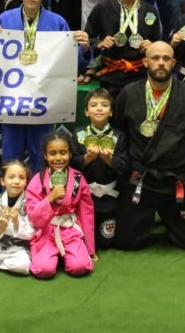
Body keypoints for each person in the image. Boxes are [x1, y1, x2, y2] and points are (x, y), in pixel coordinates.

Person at [113, 41, 185, 250]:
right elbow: (118, 132)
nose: (161, 63)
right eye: (155, 58)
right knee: (126, 242)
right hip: (142, 179)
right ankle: (148, 218)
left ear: (174, 63)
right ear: (145, 62)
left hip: (177, 179)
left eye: (166, 58)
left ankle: (169, 219)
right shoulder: (128, 93)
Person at [0, 0, 91, 166]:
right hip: (13, 101)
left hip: (43, 102)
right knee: (11, 159)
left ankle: (42, 187)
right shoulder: (4, 19)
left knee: (42, 157)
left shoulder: (57, 22)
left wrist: (84, 48)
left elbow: (70, 64)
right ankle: (10, 188)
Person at [82, 0, 161, 96]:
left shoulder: (150, 11)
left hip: (140, 75)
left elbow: (158, 43)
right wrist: (99, 44)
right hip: (110, 76)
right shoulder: (102, 8)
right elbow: (87, 38)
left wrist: (152, 46)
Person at [26, 131, 96, 278]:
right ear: (45, 156)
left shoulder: (77, 179)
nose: (58, 158)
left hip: (69, 230)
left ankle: (69, 254)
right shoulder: (38, 180)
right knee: (44, 270)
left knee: (80, 267)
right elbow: (34, 218)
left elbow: (86, 214)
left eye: (63, 153)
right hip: (46, 232)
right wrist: (49, 199)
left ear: (70, 154)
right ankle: (51, 255)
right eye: (52, 153)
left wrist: (90, 249)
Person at [72, 89, 122, 250]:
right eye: (93, 105)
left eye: (104, 105)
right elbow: (71, 165)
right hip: (84, 197)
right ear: (86, 112)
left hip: (109, 197)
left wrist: (109, 160)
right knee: (83, 239)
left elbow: (125, 166)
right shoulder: (78, 134)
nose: (99, 108)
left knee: (106, 242)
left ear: (111, 111)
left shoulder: (119, 136)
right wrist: (87, 158)